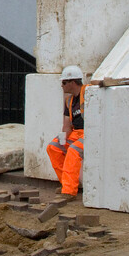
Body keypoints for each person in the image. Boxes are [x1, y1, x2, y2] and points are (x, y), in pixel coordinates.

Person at [46, 64, 86, 200]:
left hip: (90, 134)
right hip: (76, 133)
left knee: (73, 151)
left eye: (64, 82)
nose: (61, 86)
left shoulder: (88, 93)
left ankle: (69, 192)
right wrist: (63, 139)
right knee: (53, 148)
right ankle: (66, 184)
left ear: (73, 82)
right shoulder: (69, 100)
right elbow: (67, 125)